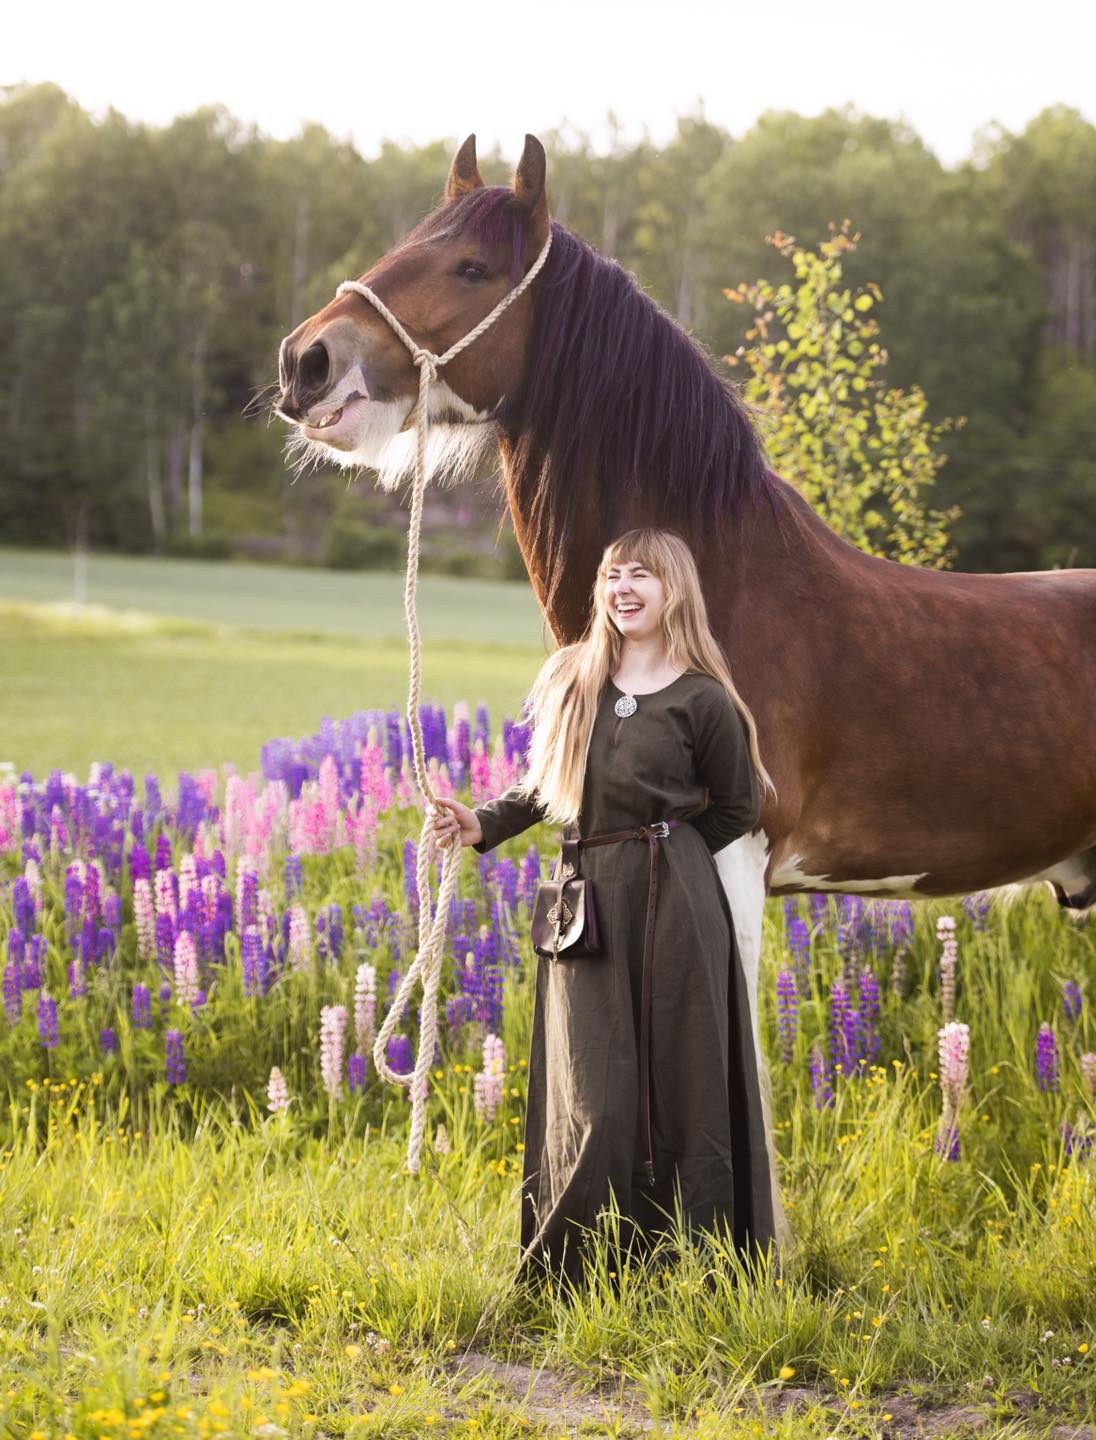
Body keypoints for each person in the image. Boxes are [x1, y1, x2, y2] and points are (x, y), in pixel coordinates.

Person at [430, 526, 779, 1288]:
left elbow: (739, 806)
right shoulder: (573, 678)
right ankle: (576, 1268)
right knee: (592, 1083)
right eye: (614, 576)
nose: (624, 590)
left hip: (678, 902)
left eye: (642, 577)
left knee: (683, 1080)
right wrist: (480, 824)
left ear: (673, 590)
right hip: (585, 900)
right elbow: (542, 785)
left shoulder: (704, 699)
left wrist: (668, 847)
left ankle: (694, 1267)